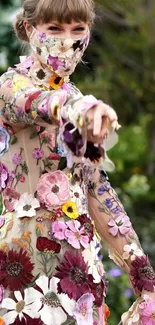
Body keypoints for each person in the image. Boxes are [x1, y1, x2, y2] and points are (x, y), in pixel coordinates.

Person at [0, 1, 154, 325]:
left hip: (82, 279)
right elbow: (40, 102)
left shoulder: (76, 97)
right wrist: (79, 110)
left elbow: (99, 195)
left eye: (77, 30)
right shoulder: (12, 86)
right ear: (30, 29)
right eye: (54, 29)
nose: (66, 41)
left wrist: (145, 280)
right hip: (24, 276)